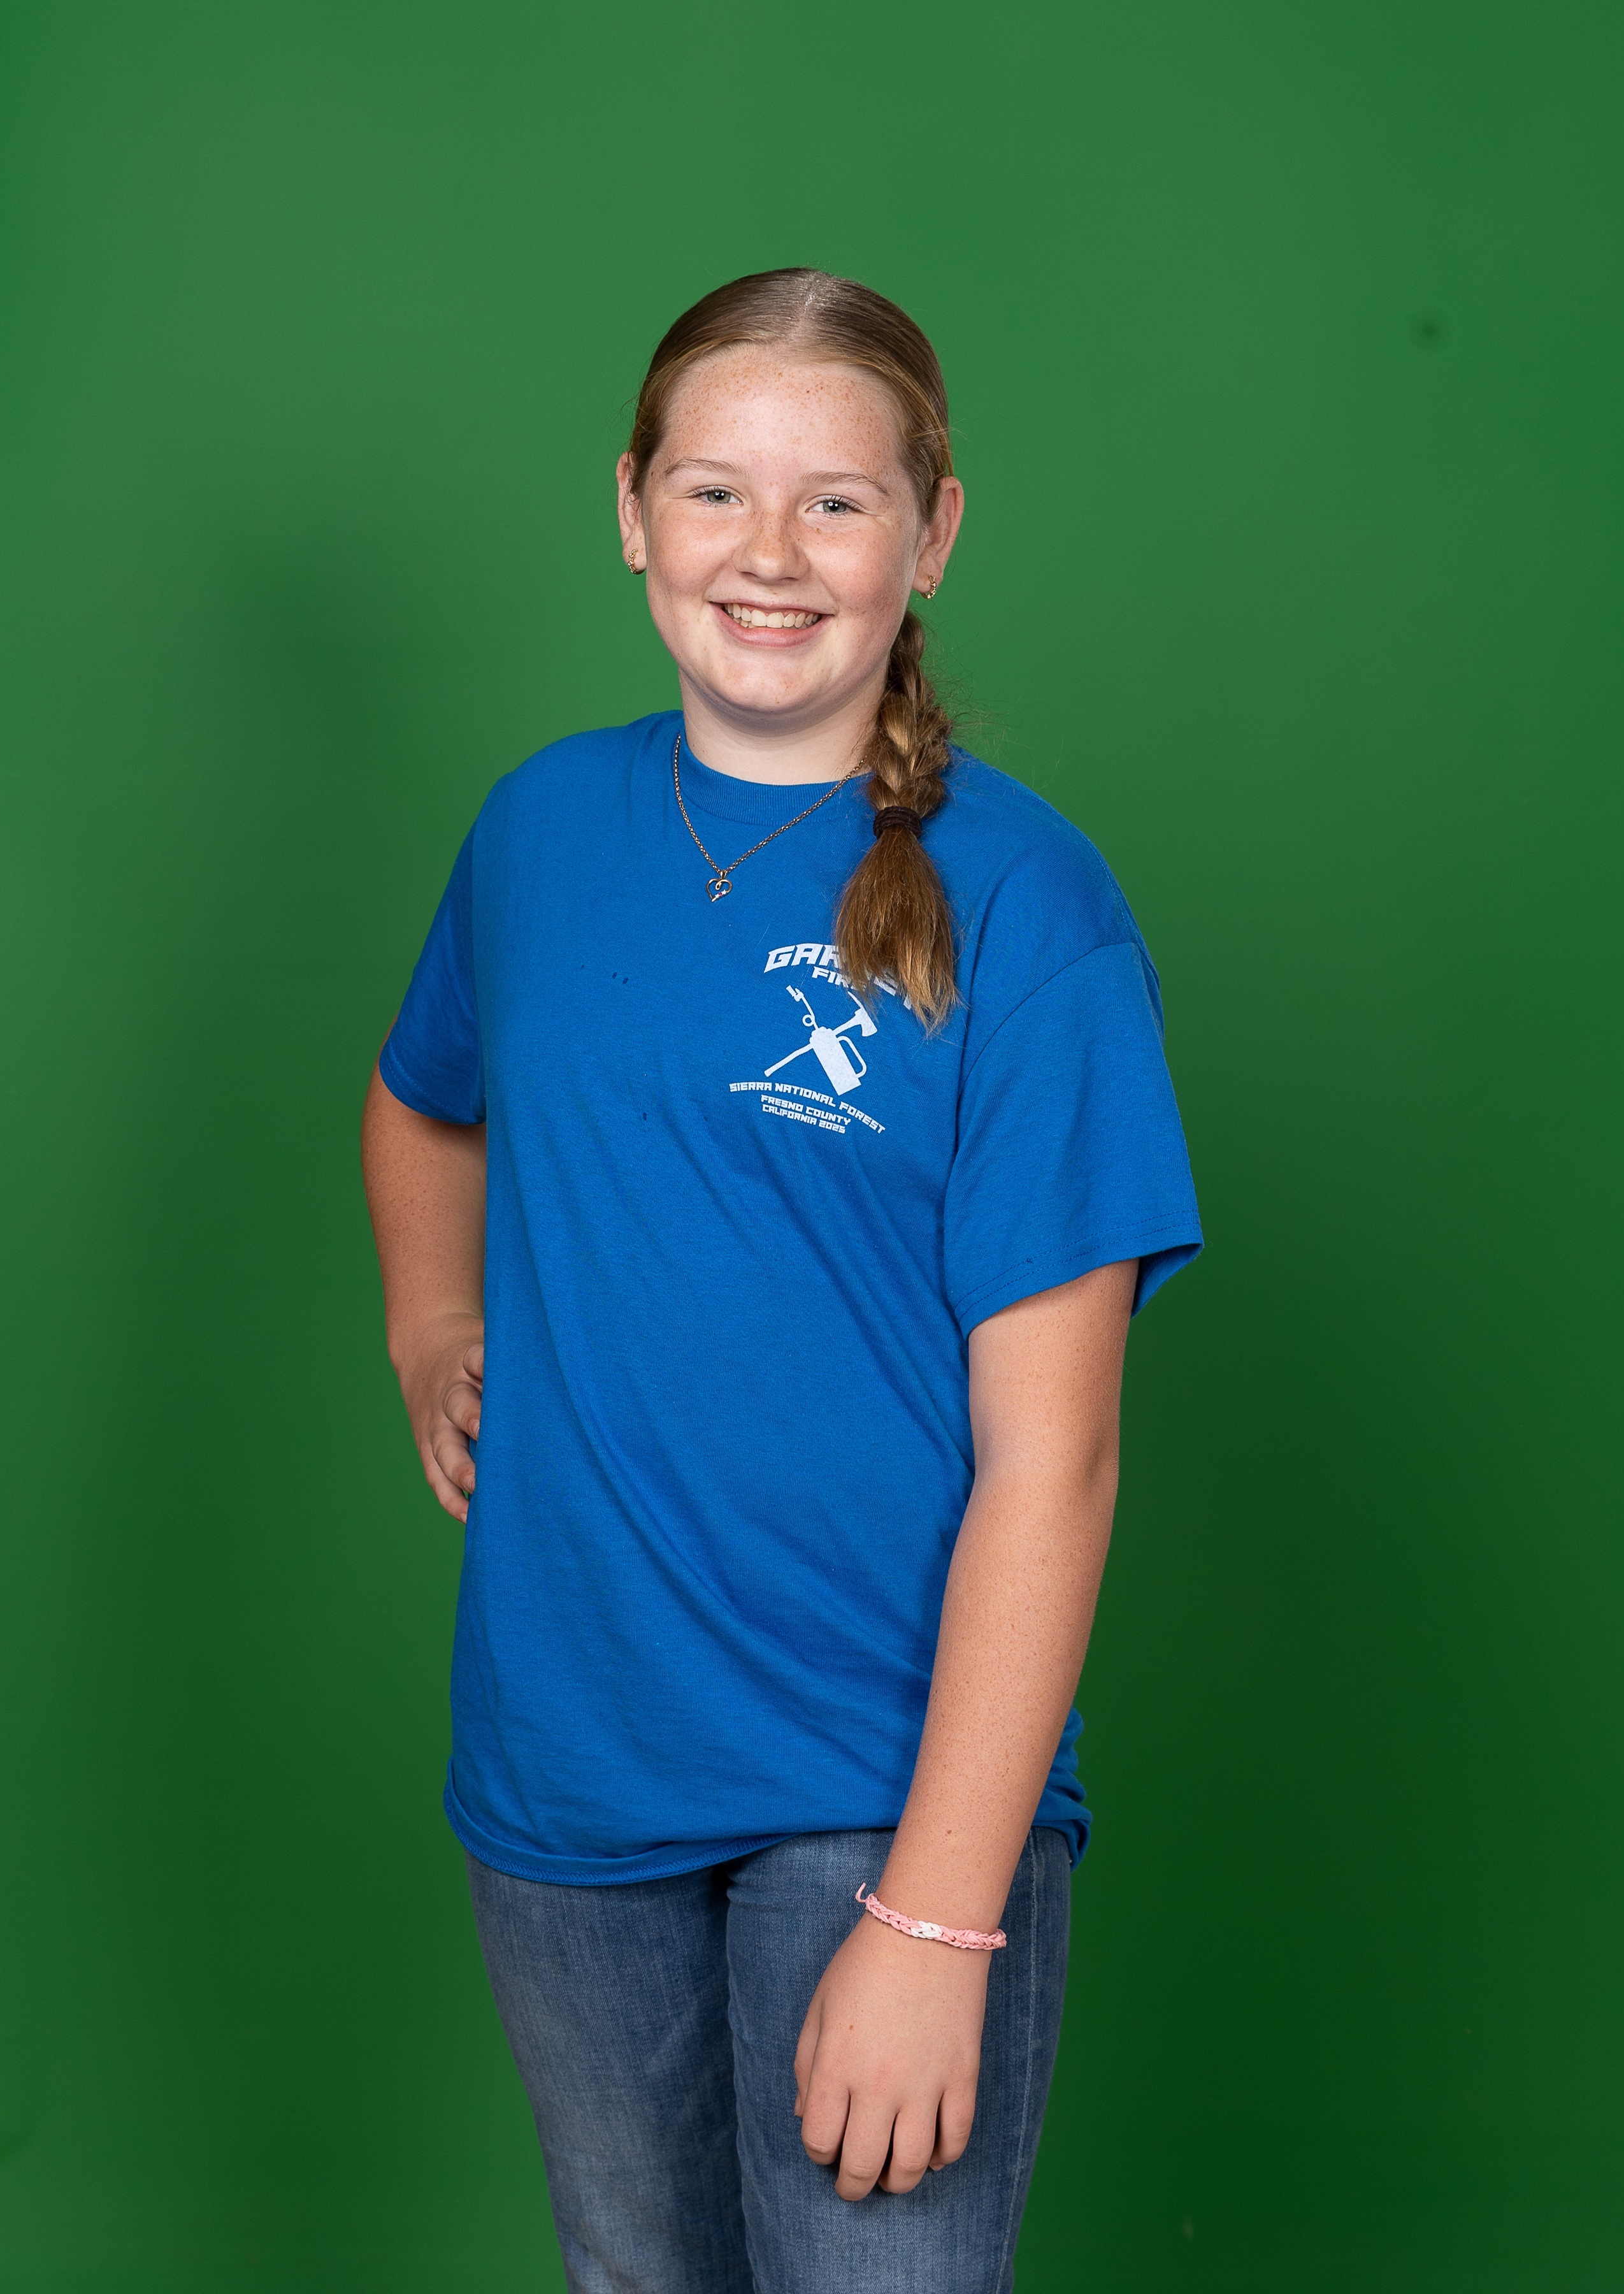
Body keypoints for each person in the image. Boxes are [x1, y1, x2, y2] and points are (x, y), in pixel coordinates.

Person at [361, 268, 1201, 2294]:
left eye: (838, 502)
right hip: (566, 1755)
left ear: (932, 534)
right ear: (631, 509)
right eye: (715, 491)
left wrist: (936, 1917)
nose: (769, 553)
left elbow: (1056, 1465)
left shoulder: (1030, 907)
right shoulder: (537, 832)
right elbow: (421, 1105)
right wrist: (434, 1324)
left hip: (878, 1781)